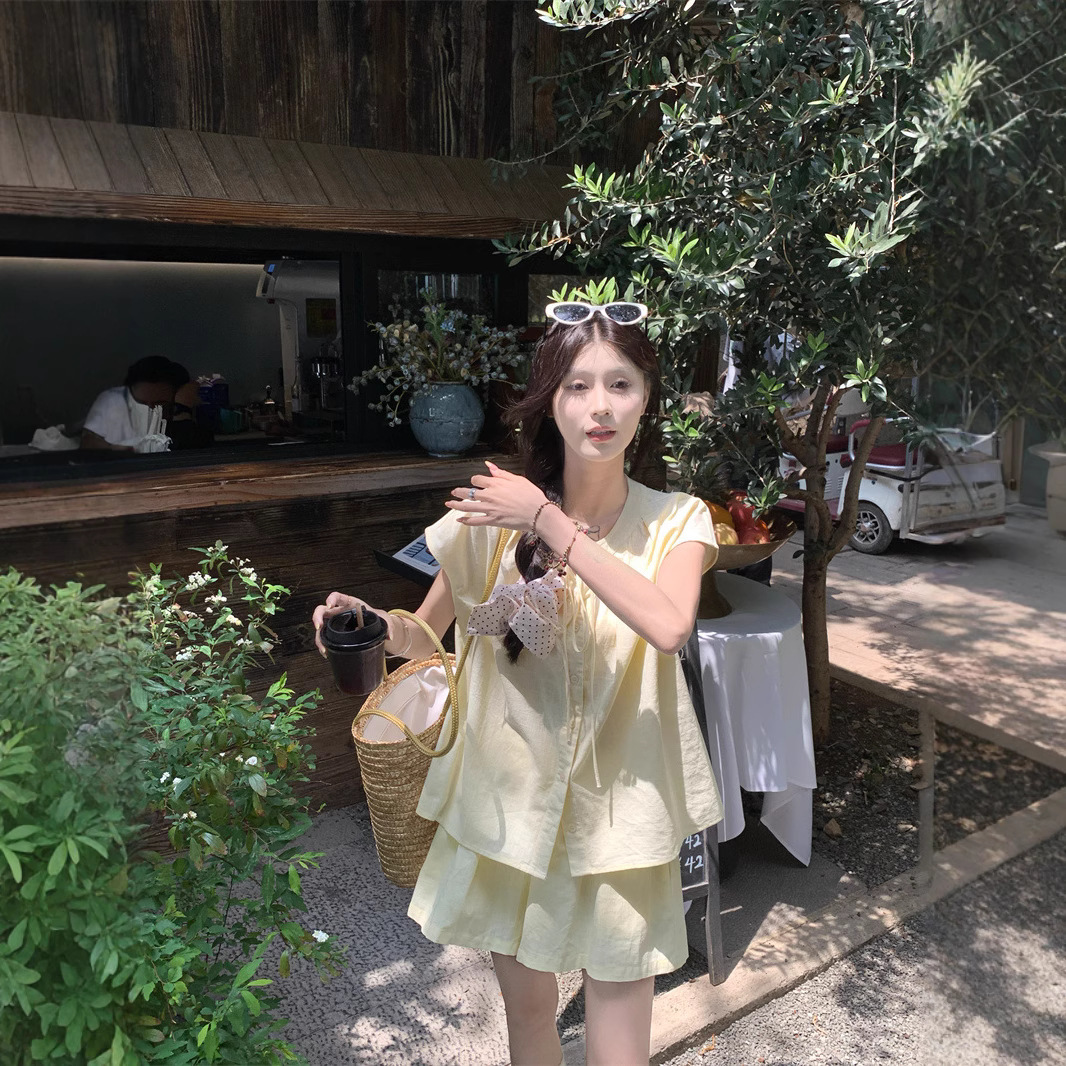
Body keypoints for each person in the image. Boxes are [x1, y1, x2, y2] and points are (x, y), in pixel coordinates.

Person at [313, 301, 723, 1066]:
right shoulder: (492, 518)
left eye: (621, 385)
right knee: (530, 1020)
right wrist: (371, 624)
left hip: (623, 821)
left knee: (620, 1049)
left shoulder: (678, 520)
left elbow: (668, 625)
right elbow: (425, 635)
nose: (600, 407)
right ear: (548, 401)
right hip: (510, 817)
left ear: (647, 399)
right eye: (577, 386)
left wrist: (545, 520)